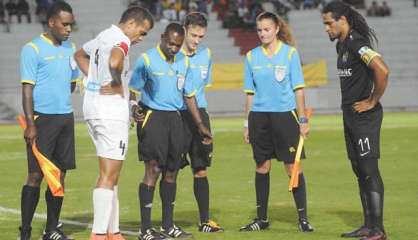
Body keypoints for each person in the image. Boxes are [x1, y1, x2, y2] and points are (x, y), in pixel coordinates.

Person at [73, 6, 153, 240]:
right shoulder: (121, 40)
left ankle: (113, 231)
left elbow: (79, 54)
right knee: (109, 175)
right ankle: (98, 234)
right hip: (110, 113)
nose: (141, 37)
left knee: (110, 174)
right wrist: (117, 82)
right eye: (142, 31)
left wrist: (95, 80)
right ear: (130, 24)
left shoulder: (102, 36)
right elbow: (116, 61)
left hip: (93, 109)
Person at [129, 22, 212, 240]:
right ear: (163, 37)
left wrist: (200, 125)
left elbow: (189, 95)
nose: (174, 48)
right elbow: (132, 90)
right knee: (153, 170)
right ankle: (145, 230)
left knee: (172, 171)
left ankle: (168, 226)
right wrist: (133, 107)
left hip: (176, 120)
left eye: (177, 45)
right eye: (171, 43)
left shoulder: (184, 62)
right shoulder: (146, 59)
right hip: (153, 117)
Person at [240, 11, 314, 233]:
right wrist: (246, 124)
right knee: (262, 166)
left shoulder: (290, 54)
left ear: (276, 29)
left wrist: (302, 120)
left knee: (292, 166)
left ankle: (303, 219)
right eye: (259, 30)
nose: (262, 33)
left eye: (266, 29)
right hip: (259, 118)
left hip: (285, 116)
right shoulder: (251, 57)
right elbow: (249, 94)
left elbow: (298, 90)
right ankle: (261, 219)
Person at [321, 1, 389, 239]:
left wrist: (372, 100)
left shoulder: (357, 43)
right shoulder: (341, 45)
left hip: (364, 116)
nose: (326, 28)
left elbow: (382, 70)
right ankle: (367, 226)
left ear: (342, 20)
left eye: (329, 23)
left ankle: (378, 229)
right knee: (358, 169)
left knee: (369, 169)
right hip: (349, 114)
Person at [18, 1, 78, 239]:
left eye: (71, 25)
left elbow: (72, 82)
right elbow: (27, 90)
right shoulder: (32, 49)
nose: (68, 29)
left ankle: (51, 229)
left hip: (66, 118)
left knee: (60, 174)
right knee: (35, 175)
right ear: (51, 22)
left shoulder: (70, 49)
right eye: (64, 24)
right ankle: (26, 229)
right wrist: (31, 124)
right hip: (41, 121)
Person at [178, 12, 223, 233]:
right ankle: (168, 223)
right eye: (193, 35)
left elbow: (202, 86)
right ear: (184, 29)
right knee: (170, 169)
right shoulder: (173, 53)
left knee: (201, 168)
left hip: (200, 114)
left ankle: (205, 220)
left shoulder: (206, 54)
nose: (196, 40)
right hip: (176, 114)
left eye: (201, 36)